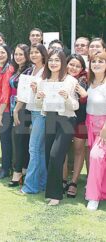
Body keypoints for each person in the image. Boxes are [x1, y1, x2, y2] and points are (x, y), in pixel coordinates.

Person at [35, 49, 78, 205]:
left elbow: (75, 105)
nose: (53, 63)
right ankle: (52, 190)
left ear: (63, 62)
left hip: (66, 120)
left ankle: (56, 195)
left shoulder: (70, 80)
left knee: (55, 155)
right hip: (50, 119)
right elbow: (40, 105)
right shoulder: (43, 81)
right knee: (48, 156)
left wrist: (67, 97)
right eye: (51, 60)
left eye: (57, 60)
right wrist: (38, 98)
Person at [20, 43, 48, 194]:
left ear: (43, 54)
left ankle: (30, 186)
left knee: (34, 149)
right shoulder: (32, 70)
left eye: (37, 52)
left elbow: (46, 93)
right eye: (32, 52)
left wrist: (37, 90)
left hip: (41, 113)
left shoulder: (45, 71)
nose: (34, 54)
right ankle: (42, 183)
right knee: (40, 150)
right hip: (33, 110)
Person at [63, 54, 88, 198]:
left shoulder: (85, 81)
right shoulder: (61, 79)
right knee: (63, 150)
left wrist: (84, 96)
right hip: (64, 120)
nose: (74, 68)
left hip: (81, 121)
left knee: (79, 150)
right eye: (71, 64)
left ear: (82, 68)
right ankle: (63, 179)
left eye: (78, 66)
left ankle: (73, 182)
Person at [8, 44, 31, 186]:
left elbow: (25, 93)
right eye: (16, 54)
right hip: (14, 108)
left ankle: (18, 173)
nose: (18, 57)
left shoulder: (29, 71)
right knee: (19, 141)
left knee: (20, 141)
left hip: (23, 109)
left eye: (21, 54)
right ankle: (22, 170)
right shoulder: (18, 69)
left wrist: (17, 109)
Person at [85, 54, 106, 211]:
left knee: (96, 156)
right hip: (90, 123)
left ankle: (93, 197)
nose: (97, 64)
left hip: (104, 125)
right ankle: (101, 191)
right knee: (97, 162)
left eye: (101, 61)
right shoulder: (90, 82)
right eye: (94, 62)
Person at [0, 43, 14, 179]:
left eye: (2, 52)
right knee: (4, 140)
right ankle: (6, 166)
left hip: (4, 111)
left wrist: (0, 113)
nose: (0, 55)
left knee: (5, 141)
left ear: (8, 54)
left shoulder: (8, 69)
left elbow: (5, 93)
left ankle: (5, 169)